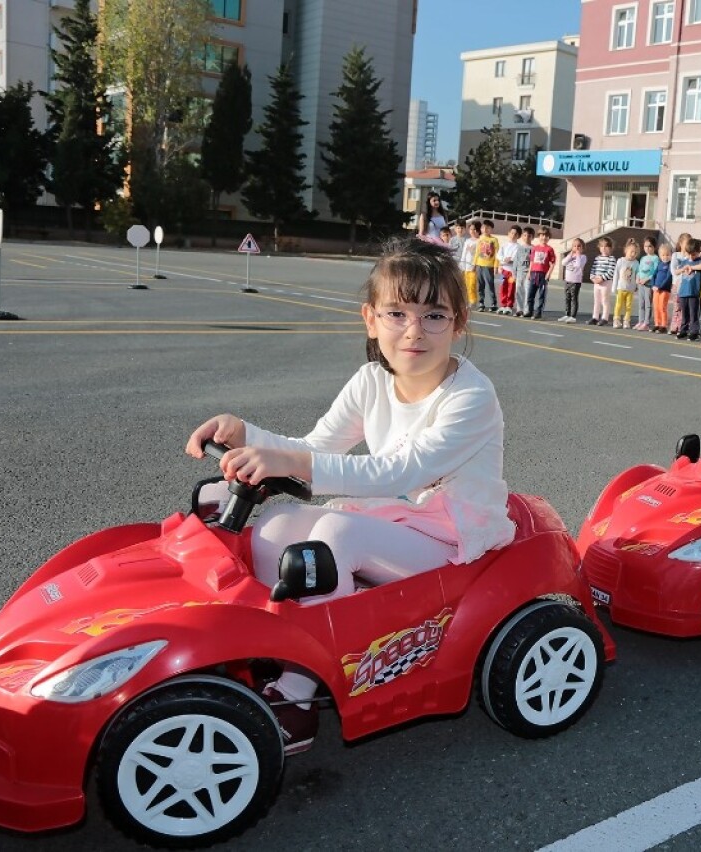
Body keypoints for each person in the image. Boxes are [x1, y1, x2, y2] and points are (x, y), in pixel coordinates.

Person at [184, 239, 515, 754]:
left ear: (459, 322)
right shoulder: (371, 381)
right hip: (395, 520)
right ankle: (290, 645)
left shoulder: (471, 396)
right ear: (370, 318)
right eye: (397, 312)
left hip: (453, 536)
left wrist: (291, 463)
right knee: (278, 525)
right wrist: (245, 434)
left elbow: (399, 470)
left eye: (433, 315)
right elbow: (314, 448)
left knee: (335, 533)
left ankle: (298, 695)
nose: (413, 330)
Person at [675, 238, 701, 340]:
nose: (691, 257)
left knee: (694, 314)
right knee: (685, 313)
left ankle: (694, 331)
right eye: (689, 254)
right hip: (683, 292)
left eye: (693, 254)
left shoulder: (700, 261)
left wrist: (692, 268)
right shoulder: (684, 262)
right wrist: (684, 268)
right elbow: (676, 271)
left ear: (698, 252)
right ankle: (683, 330)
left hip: (694, 292)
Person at [526, 227, 557, 319]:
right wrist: (529, 272)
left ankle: (538, 312)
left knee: (541, 295)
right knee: (530, 294)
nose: (544, 237)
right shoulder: (535, 248)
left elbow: (552, 263)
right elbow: (531, 261)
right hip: (534, 273)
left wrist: (548, 274)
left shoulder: (549, 249)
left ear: (549, 237)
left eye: (546, 236)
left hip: (543, 275)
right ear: (539, 236)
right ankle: (530, 311)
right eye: (542, 235)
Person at [473, 219, 500, 312]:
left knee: (490, 284)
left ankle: (493, 303)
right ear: (481, 229)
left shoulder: (494, 240)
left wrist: (496, 266)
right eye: (484, 227)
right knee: (480, 285)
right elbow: (477, 252)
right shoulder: (480, 239)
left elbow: (497, 254)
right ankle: (481, 303)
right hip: (479, 265)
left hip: (489, 266)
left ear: (491, 229)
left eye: (488, 228)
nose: (485, 229)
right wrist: (474, 264)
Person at [588, 237, 616, 326]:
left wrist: (602, 278)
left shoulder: (611, 259)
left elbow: (611, 271)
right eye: (602, 246)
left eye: (606, 246)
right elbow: (593, 269)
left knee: (605, 300)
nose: (603, 248)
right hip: (597, 283)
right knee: (597, 300)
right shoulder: (597, 258)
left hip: (606, 283)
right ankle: (595, 317)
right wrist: (592, 278)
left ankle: (605, 318)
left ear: (610, 248)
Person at [612, 239, 640, 329]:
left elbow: (637, 275)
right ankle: (616, 320)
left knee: (628, 306)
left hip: (630, 289)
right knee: (618, 304)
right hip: (621, 288)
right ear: (626, 251)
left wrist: (636, 286)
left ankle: (626, 321)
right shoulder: (621, 261)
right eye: (631, 252)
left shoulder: (636, 263)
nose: (633, 254)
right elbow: (616, 274)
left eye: (635, 253)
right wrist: (614, 287)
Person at [559, 237, 587, 323]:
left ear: (582, 248)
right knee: (567, 298)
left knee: (574, 298)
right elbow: (563, 263)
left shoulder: (582, 257)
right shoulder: (570, 256)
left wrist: (577, 255)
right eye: (574, 246)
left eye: (579, 246)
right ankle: (567, 314)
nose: (576, 248)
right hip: (568, 280)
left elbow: (578, 265)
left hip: (575, 281)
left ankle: (573, 316)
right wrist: (570, 255)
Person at [634, 236, 658, 331]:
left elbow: (655, 271)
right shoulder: (643, 258)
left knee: (648, 304)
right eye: (645, 246)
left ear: (654, 247)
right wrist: (638, 278)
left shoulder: (655, 258)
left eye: (650, 246)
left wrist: (647, 279)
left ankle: (646, 323)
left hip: (648, 284)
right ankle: (641, 321)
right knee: (641, 303)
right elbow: (639, 270)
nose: (647, 248)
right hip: (641, 283)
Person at [497, 225, 520, 314]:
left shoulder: (518, 247)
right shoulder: (504, 245)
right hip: (503, 271)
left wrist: (510, 259)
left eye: (515, 234)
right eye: (512, 233)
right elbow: (499, 255)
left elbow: (514, 257)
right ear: (508, 233)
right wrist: (503, 260)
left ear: (518, 236)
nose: (513, 235)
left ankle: (509, 306)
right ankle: (503, 305)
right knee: (503, 287)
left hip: (512, 272)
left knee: (511, 288)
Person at [651, 243, 673, 333]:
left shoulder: (670, 265)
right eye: (663, 255)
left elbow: (668, 277)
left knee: (662, 307)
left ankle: (663, 325)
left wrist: (660, 286)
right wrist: (653, 285)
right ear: (660, 255)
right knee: (656, 307)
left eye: (667, 255)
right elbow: (654, 275)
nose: (665, 257)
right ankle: (657, 324)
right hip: (656, 289)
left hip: (664, 289)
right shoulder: (659, 264)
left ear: (671, 255)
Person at [513, 226, 534, 317]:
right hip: (520, 273)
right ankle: (519, 309)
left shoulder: (534, 248)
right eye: (525, 235)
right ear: (522, 236)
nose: (526, 237)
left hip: (529, 273)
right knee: (518, 291)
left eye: (529, 236)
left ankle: (526, 310)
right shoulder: (519, 248)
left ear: (532, 237)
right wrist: (514, 273)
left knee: (527, 292)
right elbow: (516, 261)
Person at [460, 221, 480, 308]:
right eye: (471, 229)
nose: (472, 231)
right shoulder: (467, 241)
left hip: (473, 267)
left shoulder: (479, 241)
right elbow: (464, 253)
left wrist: (475, 265)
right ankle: (466, 300)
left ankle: (473, 301)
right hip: (465, 266)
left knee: (472, 284)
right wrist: (461, 265)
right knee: (465, 284)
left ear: (478, 230)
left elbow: (478, 255)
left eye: (474, 229)